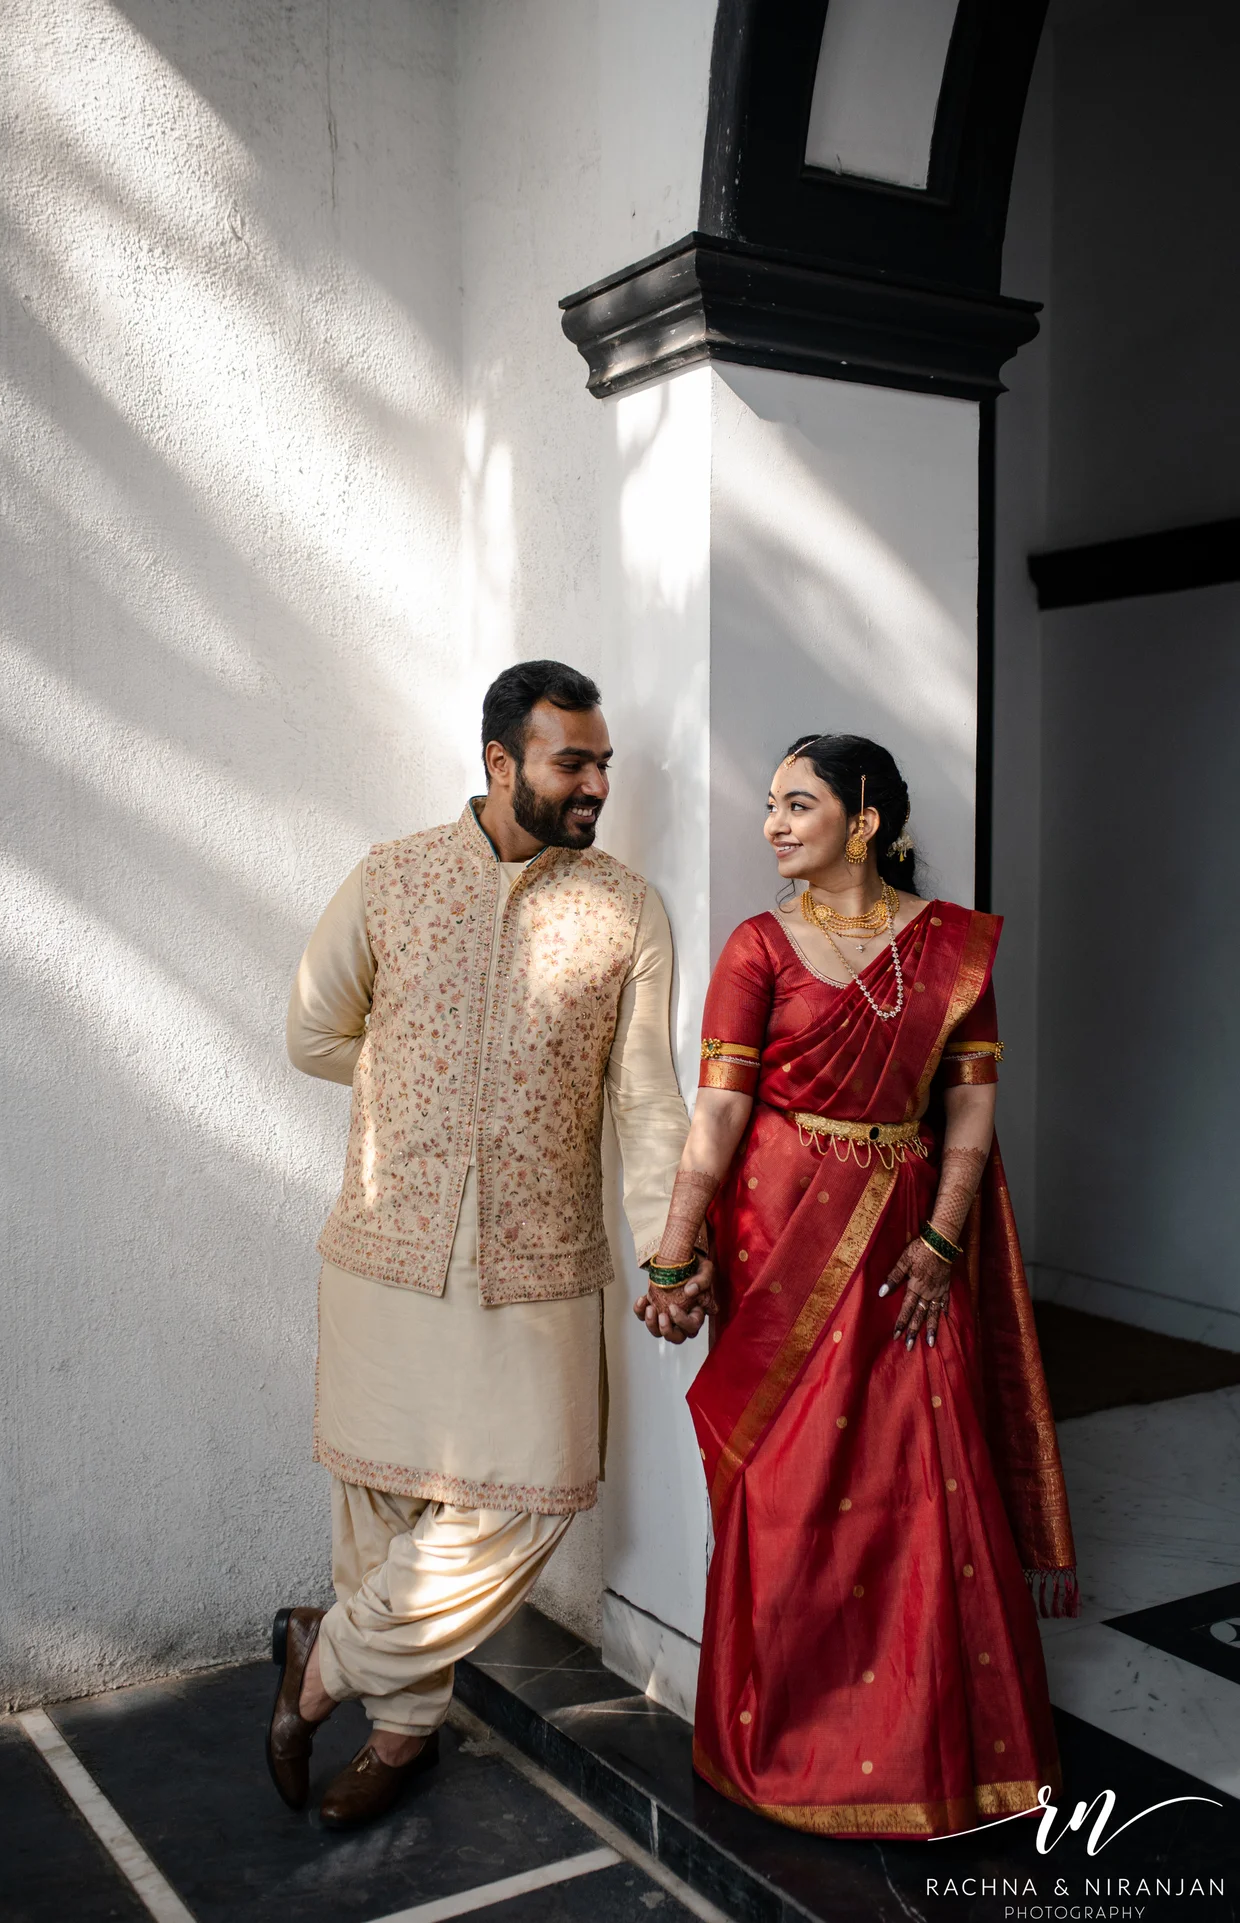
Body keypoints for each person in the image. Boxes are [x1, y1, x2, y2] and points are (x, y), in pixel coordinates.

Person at [270, 661, 701, 1829]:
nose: (598, 783)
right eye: (576, 761)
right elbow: (314, 1030)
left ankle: (325, 1663)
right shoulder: (394, 878)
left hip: (539, 1255)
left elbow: (647, 1101)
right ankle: (401, 1733)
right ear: (502, 762)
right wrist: (420, 1089)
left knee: (531, 1490)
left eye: (605, 762)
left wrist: (670, 1247)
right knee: (382, 1497)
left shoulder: (624, 907)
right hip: (385, 1242)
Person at [635, 732, 1077, 1840]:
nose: (774, 823)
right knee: (785, 1482)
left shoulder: (950, 952)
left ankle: (937, 1747)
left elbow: (968, 1105)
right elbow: (720, 1114)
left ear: (865, 820)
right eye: (772, 806)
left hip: (907, 1239)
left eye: (798, 804)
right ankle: (785, 1736)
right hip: (780, 1232)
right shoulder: (756, 949)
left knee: (918, 1476)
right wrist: (675, 1252)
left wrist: (940, 1239)